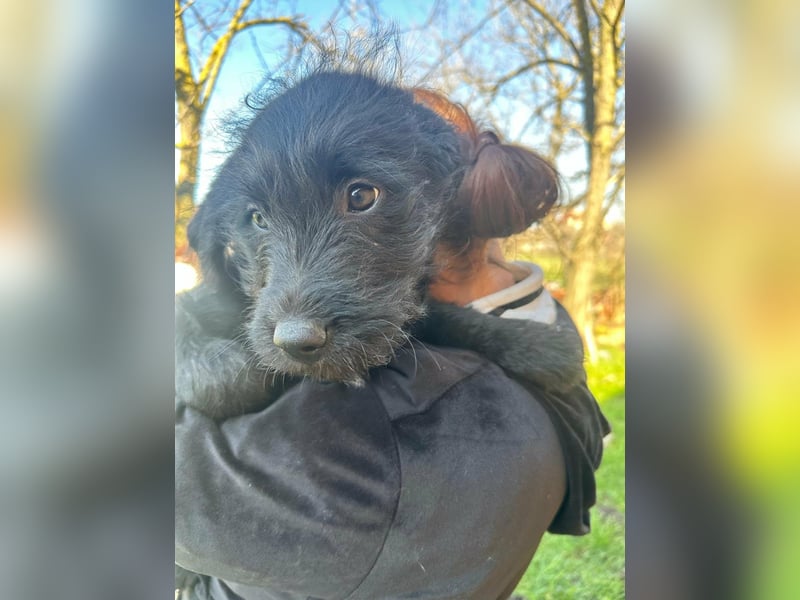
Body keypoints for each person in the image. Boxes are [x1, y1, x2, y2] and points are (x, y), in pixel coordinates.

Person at [176, 84, 609, 600]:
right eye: (262, 220)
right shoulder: (542, 316)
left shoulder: (391, 436)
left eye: (360, 198)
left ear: (447, 203)